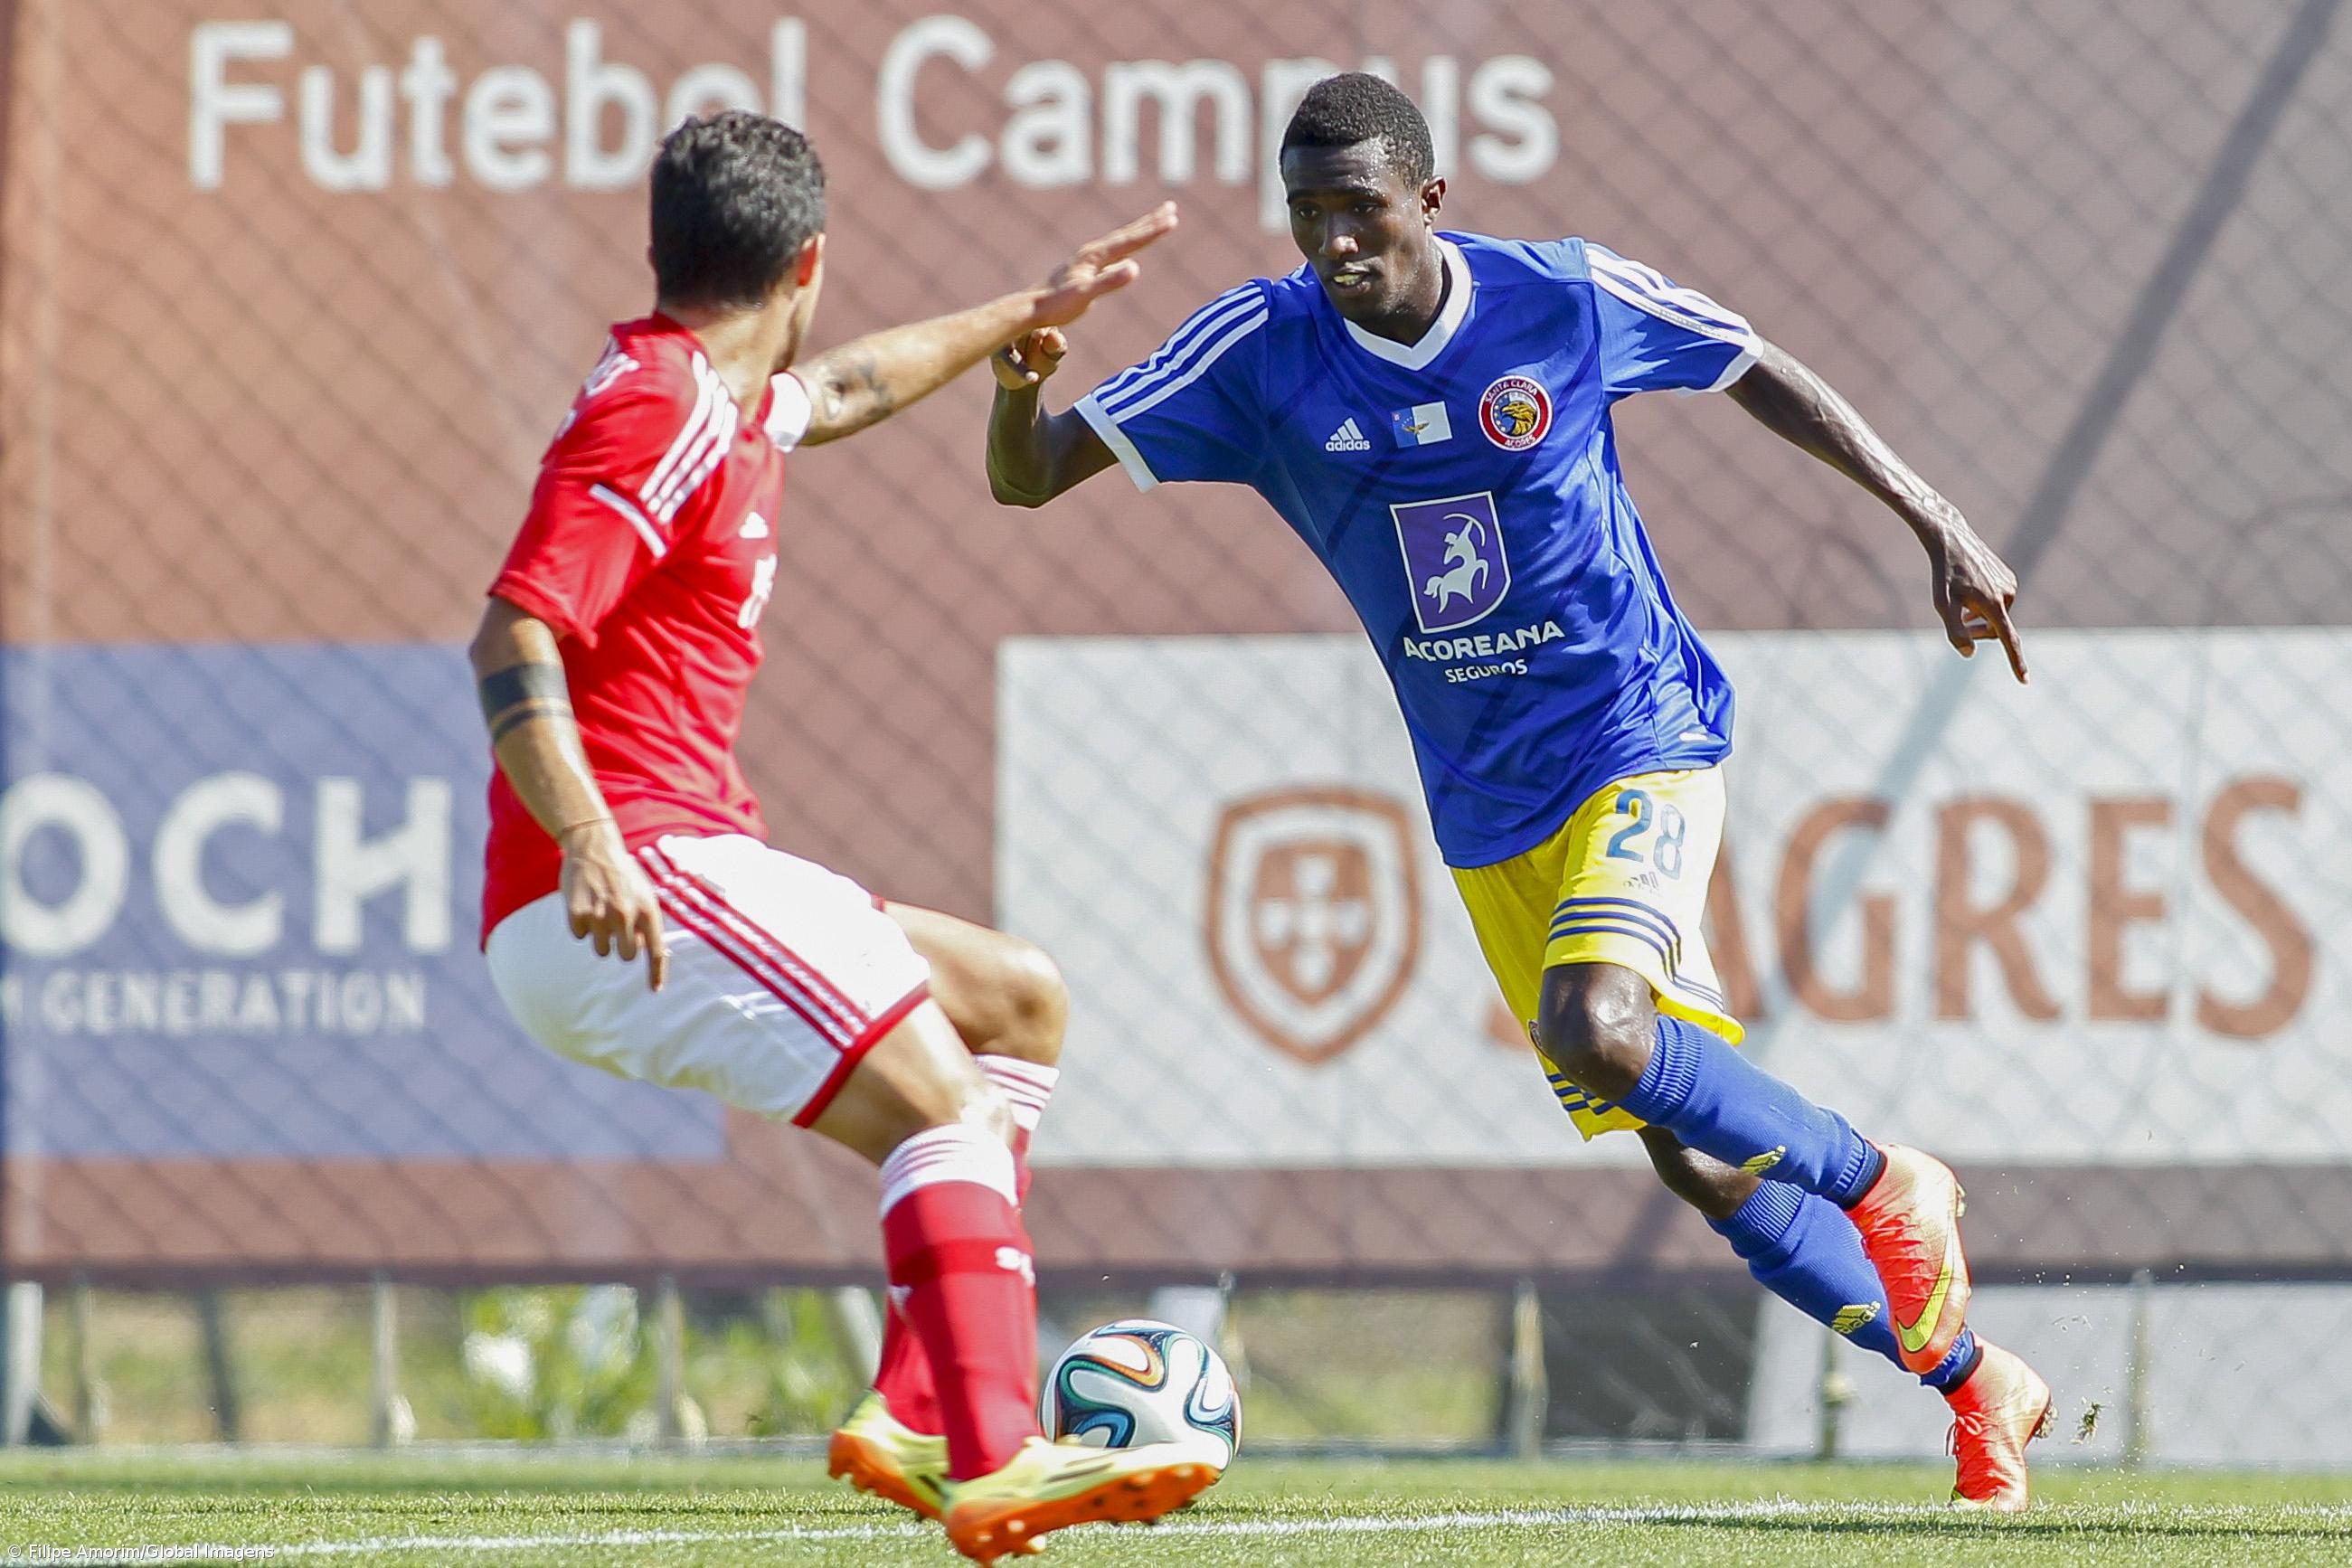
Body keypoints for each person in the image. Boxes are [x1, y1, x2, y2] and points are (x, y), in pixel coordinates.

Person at [983, 72, 2052, 1508]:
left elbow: (1752, 364)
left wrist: (1939, 522)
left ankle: (1881, 1181)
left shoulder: (1560, 301)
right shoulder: (1260, 348)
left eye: (1357, 209)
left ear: (1428, 199)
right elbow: (1031, 478)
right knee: (1697, 1161)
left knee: (1598, 1027)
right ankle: (1980, 1382)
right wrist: (1017, 377)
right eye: (1306, 215)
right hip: (1486, 804)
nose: (1332, 244)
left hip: (1635, 734)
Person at [469, 109, 1195, 1563]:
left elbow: (848, 385)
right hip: (625, 880)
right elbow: (514, 631)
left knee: (1013, 1003)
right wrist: (594, 839)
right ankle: (994, 1456)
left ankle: (921, 1408)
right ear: (810, 260)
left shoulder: (723, 392)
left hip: (662, 863)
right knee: (947, 1107)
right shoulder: (661, 412)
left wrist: (1024, 313)